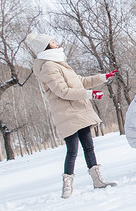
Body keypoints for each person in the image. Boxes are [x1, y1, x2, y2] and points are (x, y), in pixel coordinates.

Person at [27, 32, 117, 199]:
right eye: (52, 42)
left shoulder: (59, 62)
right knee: (72, 151)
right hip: (66, 114)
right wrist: (90, 95)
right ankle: (67, 187)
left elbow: (80, 81)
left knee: (89, 147)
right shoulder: (48, 66)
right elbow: (62, 91)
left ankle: (98, 180)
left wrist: (103, 77)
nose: (56, 42)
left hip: (79, 110)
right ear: (46, 47)